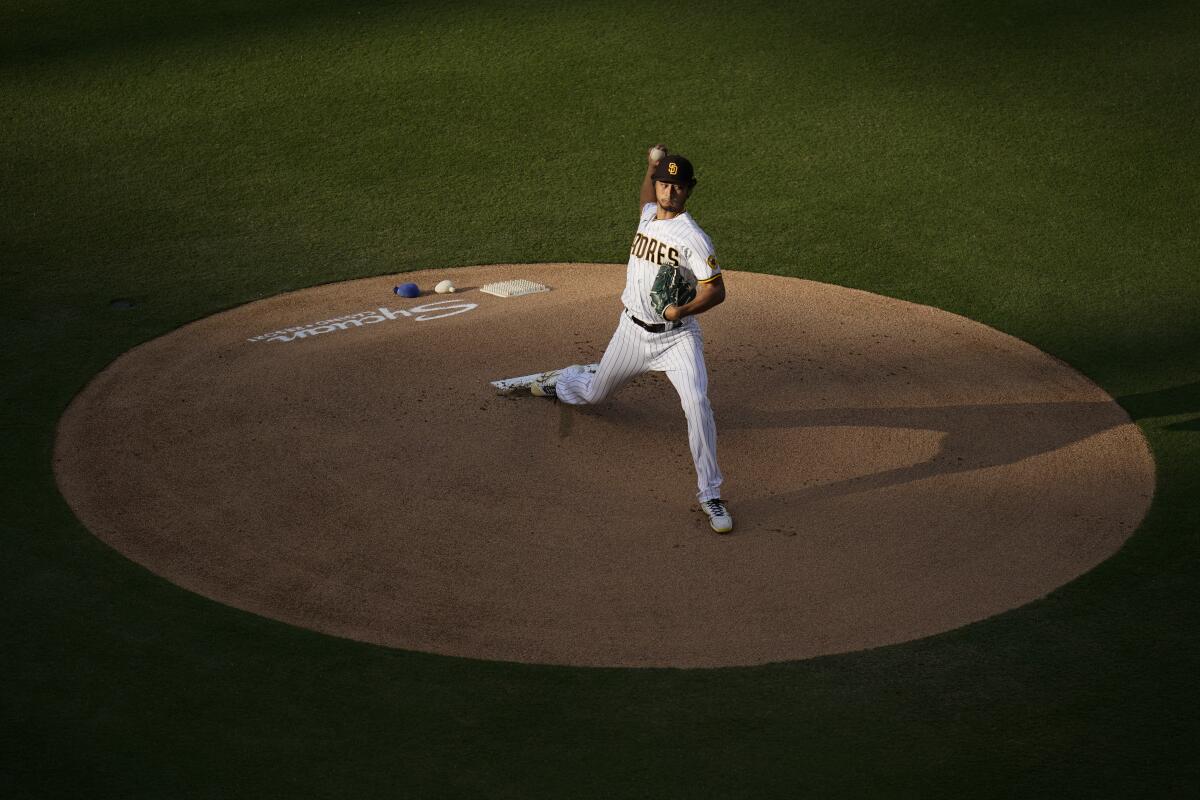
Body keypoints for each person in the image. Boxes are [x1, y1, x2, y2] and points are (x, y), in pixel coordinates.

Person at [530, 145, 733, 533]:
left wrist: (682, 312)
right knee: (591, 395)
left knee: (697, 402)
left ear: (689, 190)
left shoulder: (694, 238)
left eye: (677, 185)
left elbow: (717, 290)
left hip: (677, 339)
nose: (668, 191)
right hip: (631, 332)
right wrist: (650, 167)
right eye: (664, 183)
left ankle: (710, 493)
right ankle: (565, 379)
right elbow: (644, 199)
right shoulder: (646, 215)